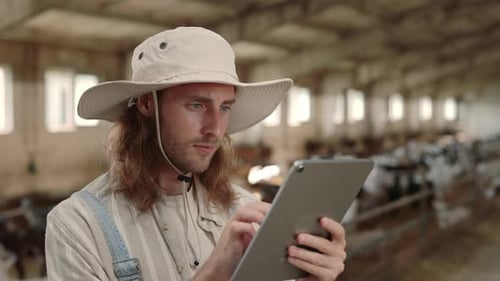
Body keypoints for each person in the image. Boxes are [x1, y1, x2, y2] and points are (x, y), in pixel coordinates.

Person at [45, 26, 347, 281]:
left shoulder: (243, 209)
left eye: (225, 107)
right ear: (147, 105)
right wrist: (214, 273)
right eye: (196, 105)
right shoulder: (78, 226)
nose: (215, 128)